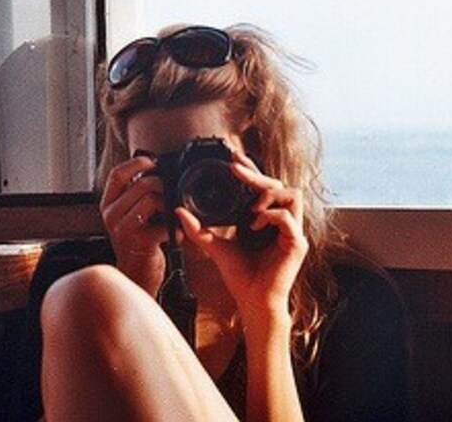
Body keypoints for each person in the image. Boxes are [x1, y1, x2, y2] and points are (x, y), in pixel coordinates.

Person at [39, 24, 410, 421]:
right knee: (85, 293)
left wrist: (265, 312)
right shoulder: (70, 276)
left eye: (203, 162)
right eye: (155, 168)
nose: (182, 186)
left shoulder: (347, 297)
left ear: (257, 158)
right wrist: (132, 293)